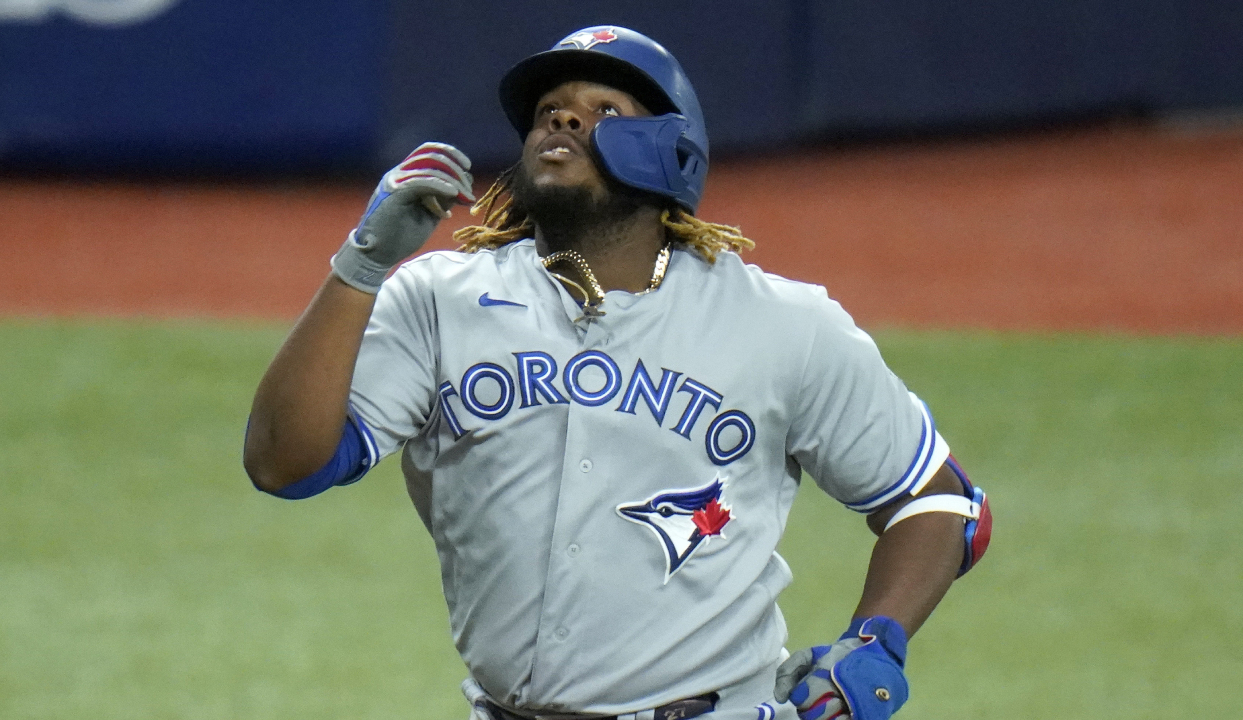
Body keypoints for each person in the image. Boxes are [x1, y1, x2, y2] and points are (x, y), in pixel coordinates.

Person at [243, 26, 991, 720]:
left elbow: (942, 503)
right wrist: (363, 265)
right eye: (549, 110)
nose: (562, 122)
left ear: (673, 150)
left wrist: (876, 640)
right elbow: (285, 463)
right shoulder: (440, 301)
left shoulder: (782, 325)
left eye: (602, 109)